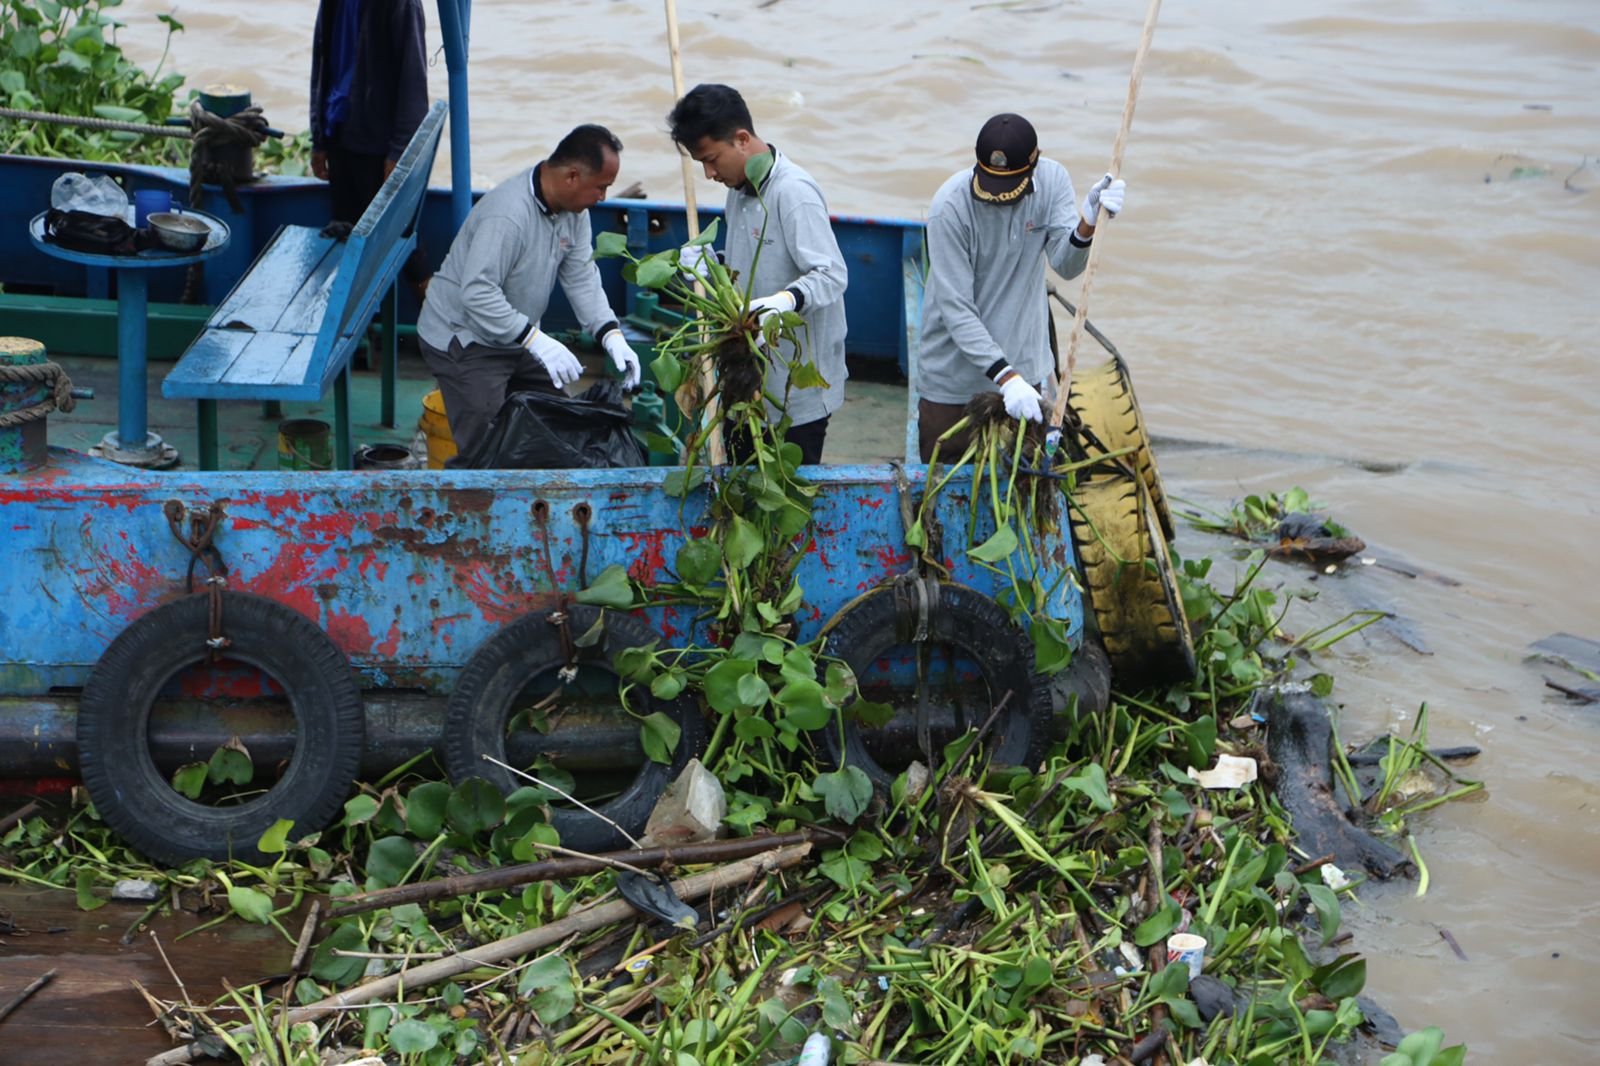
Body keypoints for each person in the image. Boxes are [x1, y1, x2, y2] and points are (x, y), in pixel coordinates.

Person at [415, 124, 642, 466]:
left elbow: (581, 275)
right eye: (601, 188)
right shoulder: (507, 216)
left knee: (559, 421)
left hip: (517, 335)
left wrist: (609, 333)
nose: (604, 199)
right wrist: (535, 340)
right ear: (572, 176)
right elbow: (477, 293)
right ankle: (479, 504)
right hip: (464, 337)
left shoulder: (575, 212)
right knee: (485, 449)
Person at [916, 112, 1126, 462]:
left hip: (1026, 368)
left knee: (1026, 481)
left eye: (1007, 190)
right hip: (952, 378)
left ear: (1033, 168)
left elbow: (1066, 265)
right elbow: (956, 308)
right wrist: (1006, 377)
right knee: (944, 484)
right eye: (989, 186)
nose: (997, 198)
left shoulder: (1053, 180)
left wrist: (1088, 224)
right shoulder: (949, 207)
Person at [668, 83, 847, 465]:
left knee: (781, 495)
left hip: (793, 390)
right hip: (746, 376)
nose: (709, 173)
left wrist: (784, 301)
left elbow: (831, 274)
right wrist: (708, 266)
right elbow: (746, 264)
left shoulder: (791, 192)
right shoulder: (740, 187)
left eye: (712, 159)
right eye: (700, 163)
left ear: (743, 139)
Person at [309, 0, 428, 226]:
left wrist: (400, 153)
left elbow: (413, 82)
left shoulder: (402, 5)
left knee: (389, 239)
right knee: (343, 231)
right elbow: (321, 65)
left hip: (379, 150)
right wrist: (318, 139)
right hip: (338, 136)